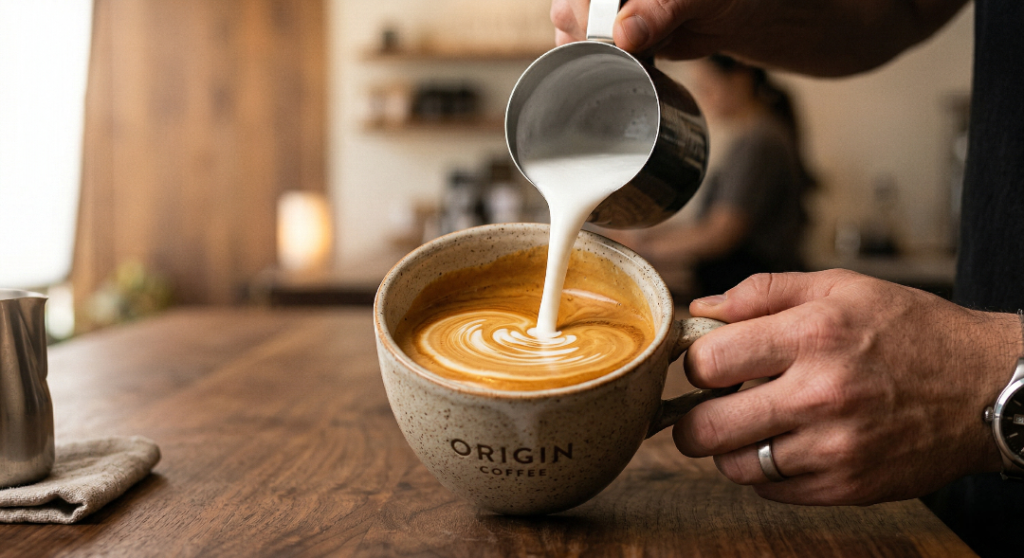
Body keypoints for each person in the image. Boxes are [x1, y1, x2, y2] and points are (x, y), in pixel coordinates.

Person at [552, 0, 1024, 555]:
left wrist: (993, 378)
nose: (708, 95)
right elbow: (905, 11)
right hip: (984, 500)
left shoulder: (759, 140)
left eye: (712, 83)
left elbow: (724, 233)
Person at [622, 54, 813, 297]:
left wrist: (644, 249)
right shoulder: (762, 134)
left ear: (740, 79)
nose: (703, 99)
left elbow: (722, 233)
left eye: (707, 88)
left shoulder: (760, 141)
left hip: (753, 285)